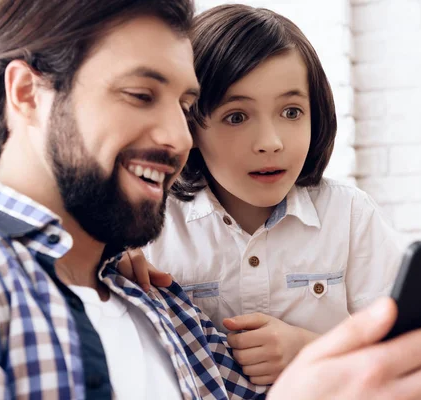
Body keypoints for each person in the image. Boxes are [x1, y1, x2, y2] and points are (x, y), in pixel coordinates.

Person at [0, 1, 421, 399]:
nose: (180, 138)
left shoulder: (157, 301)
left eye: (184, 106)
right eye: (140, 94)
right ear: (28, 93)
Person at [135, 4, 404, 384]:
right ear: (190, 125)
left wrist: (308, 351)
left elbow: (405, 357)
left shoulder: (349, 216)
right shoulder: (153, 229)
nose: (270, 142)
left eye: (292, 112)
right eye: (237, 117)